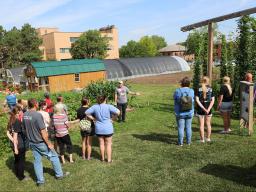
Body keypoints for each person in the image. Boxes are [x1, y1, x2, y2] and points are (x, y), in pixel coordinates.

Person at [23, 98, 68, 186]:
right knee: (54, 156)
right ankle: (59, 175)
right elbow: (43, 131)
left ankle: (40, 181)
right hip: (40, 142)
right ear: (36, 104)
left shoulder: (25, 115)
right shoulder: (37, 115)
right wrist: (49, 143)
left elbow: (25, 129)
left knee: (37, 161)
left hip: (32, 142)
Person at [86, 95, 120, 163]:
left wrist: (93, 119)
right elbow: (118, 112)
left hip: (99, 128)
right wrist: (113, 118)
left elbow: (86, 113)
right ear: (105, 99)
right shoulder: (108, 106)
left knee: (101, 144)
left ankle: (102, 159)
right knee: (108, 144)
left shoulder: (95, 106)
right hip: (108, 128)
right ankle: (109, 160)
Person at [6, 107, 28, 181]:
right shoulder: (17, 121)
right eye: (21, 111)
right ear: (18, 112)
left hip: (13, 144)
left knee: (16, 159)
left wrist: (12, 141)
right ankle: (21, 176)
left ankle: (17, 173)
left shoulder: (10, 120)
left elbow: (8, 133)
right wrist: (16, 147)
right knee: (21, 161)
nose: (22, 112)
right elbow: (15, 135)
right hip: (19, 144)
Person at [173, 77, 194, 146]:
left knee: (180, 128)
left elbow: (174, 98)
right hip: (189, 112)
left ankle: (180, 143)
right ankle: (188, 142)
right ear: (189, 84)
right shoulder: (191, 91)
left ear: (181, 83)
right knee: (188, 127)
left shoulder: (177, 91)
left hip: (180, 113)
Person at [196, 76, 215, 143]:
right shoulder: (210, 89)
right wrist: (208, 109)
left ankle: (202, 139)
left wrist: (203, 108)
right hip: (208, 108)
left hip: (200, 109)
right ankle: (208, 138)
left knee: (201, 125)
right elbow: (213, 100)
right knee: (208, 124)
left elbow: (197, 100)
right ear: (208, 81)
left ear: (202, 81)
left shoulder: (198, 89)